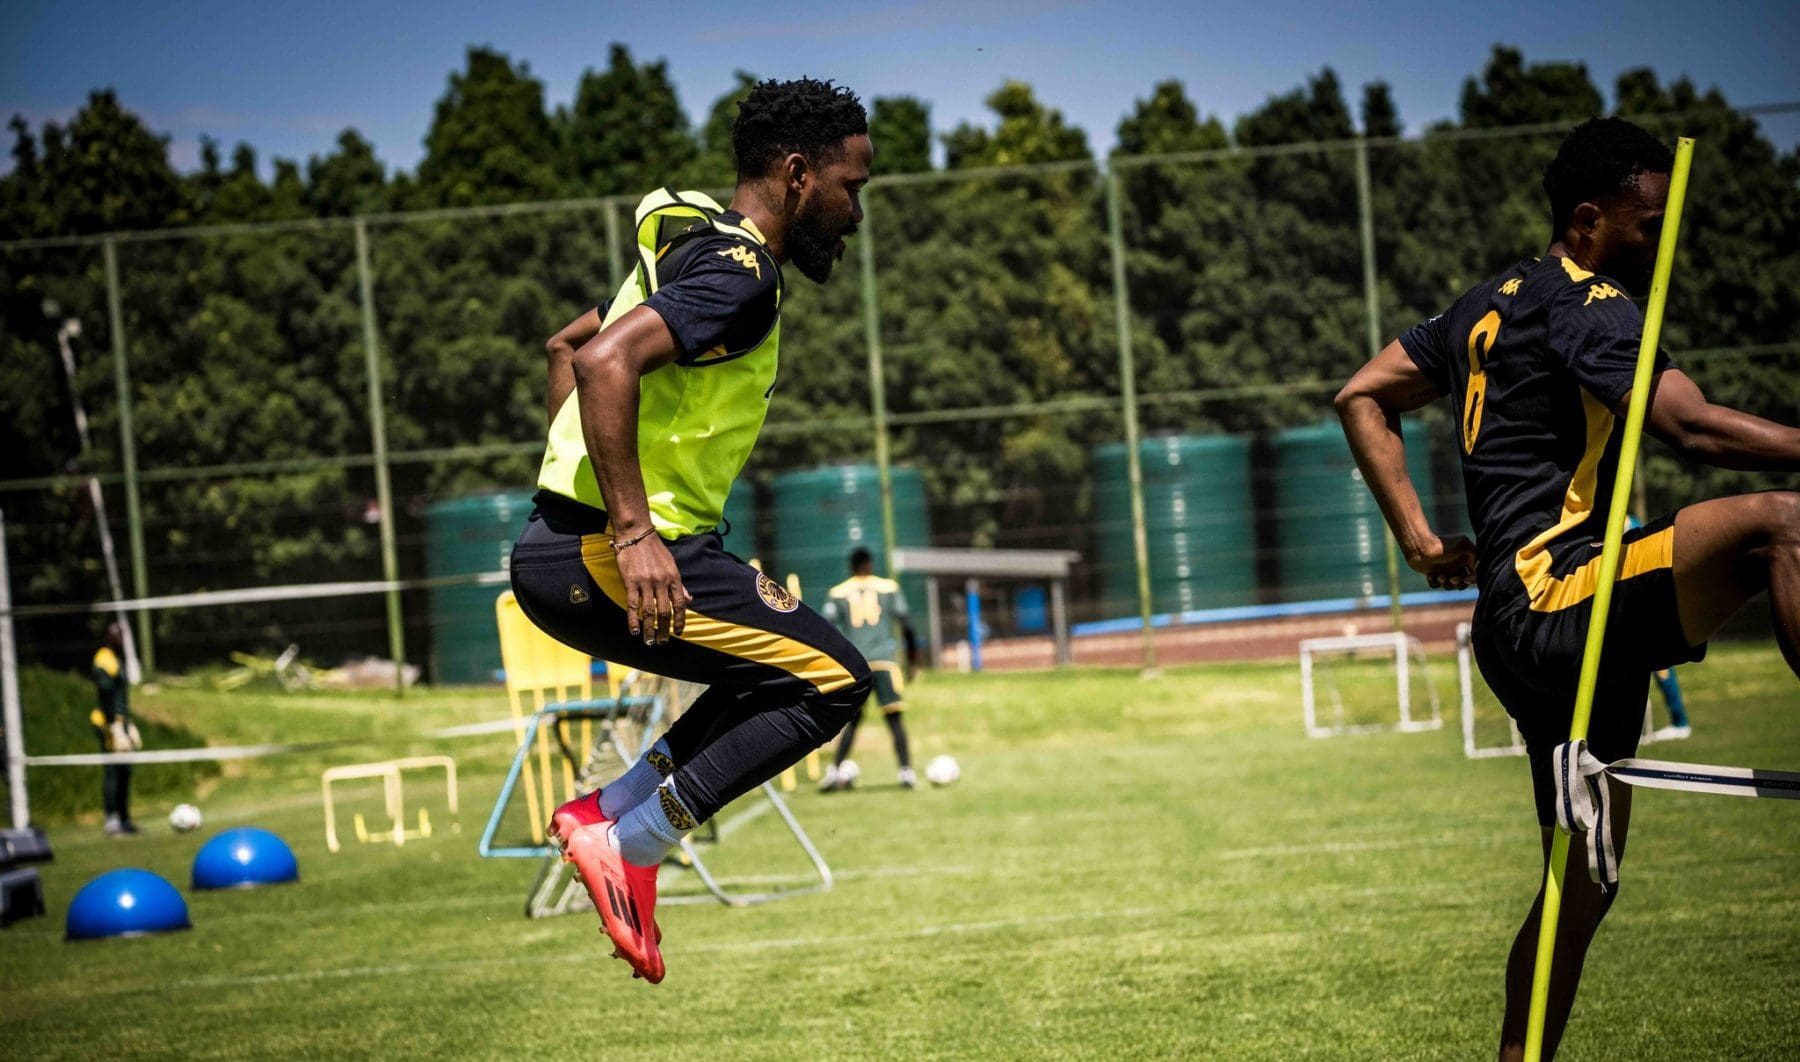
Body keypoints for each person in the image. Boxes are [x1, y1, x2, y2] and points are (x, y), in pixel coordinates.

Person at [1333, 116, 1799, 1061]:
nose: (1660, 240)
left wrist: (1423, 544)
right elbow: (1696, 430)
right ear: (1588, 219)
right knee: (1784, 523)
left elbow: (1360, 393)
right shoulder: (1587, 300)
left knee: (1583, 880)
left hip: (1515, 628)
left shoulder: (1482, 304)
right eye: (1646, 222)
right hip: (1559, 595)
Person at [509, 78, 874, 984]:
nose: (857, 213)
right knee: (832, 681)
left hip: (569, 545)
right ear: (797, 175)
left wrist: (572, 505)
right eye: (852, 186)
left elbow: (568, 345)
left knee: (775, 673)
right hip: (606, 553)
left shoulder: (691, 243)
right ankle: (631, 840)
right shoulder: (739, 275)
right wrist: (629, 533)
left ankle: (611, 815)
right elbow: (603, 361)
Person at [819, 547, 922, 791]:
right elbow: (906, 624)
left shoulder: (838, 592)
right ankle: (906, 772)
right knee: (894, 718)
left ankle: (835, 771)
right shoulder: (888, 587)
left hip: (856, 666)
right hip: (885, 662)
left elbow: (825, 627)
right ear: (870, 564)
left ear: (851, 567)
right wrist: (913, 657)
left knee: (853, 720)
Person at [90, 622, 139, 836]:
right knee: (112, 773)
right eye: (118, 635)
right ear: (109, 637)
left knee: (124, 771)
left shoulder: (118, 659)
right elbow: (107, 695)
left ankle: (125, 819)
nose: (122, 639)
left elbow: (121, 698)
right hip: (107, 724)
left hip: (120, 723)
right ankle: (111, 820)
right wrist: (116, 726)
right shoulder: (103, 659)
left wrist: (128, 725)